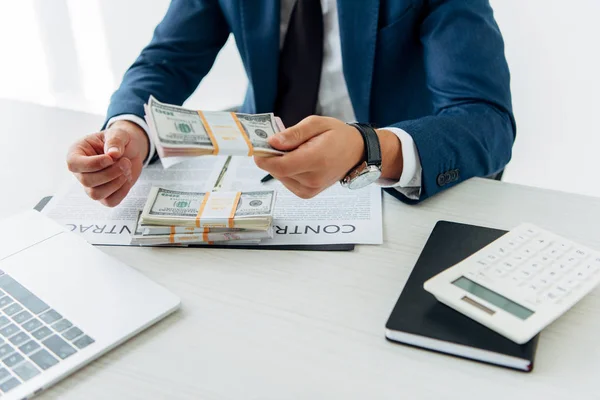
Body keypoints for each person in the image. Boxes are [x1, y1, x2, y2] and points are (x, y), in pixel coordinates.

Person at [66, 0, 515, 207]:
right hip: (260, 180)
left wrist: (367, 148)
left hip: (390, 187)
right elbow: (166, 62)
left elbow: (485, 117)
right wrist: (129, 131)